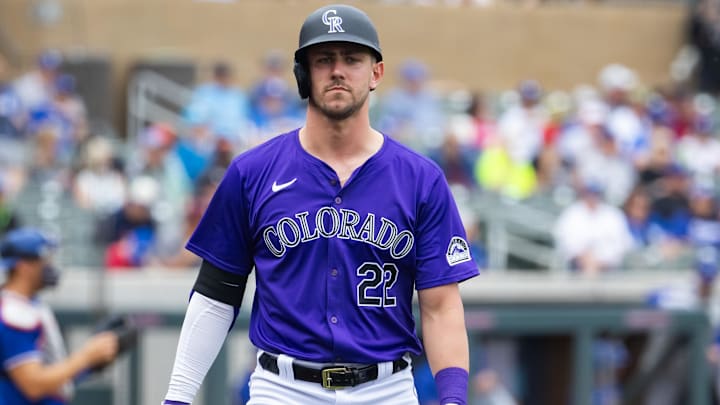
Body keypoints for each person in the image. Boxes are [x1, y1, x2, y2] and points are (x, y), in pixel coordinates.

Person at [162, 4, 479, 405]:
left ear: (376, 72)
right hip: (282, 388)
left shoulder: (421, 178)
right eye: (324, 59)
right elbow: (215, 295)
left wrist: (453, 400)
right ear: (302, 74)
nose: (338, 71)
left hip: (387, 388)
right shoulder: (252, 171)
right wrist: (178, 397)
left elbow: (441, 306)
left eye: (352, 59)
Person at [0, 227, 119, 404]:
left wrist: (92, 361)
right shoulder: (12, 313)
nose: (50, 266)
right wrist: (85, 357)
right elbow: (33, 385)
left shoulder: (28, 305)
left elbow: (54, 377)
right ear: (23, 267)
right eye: (44, 260)